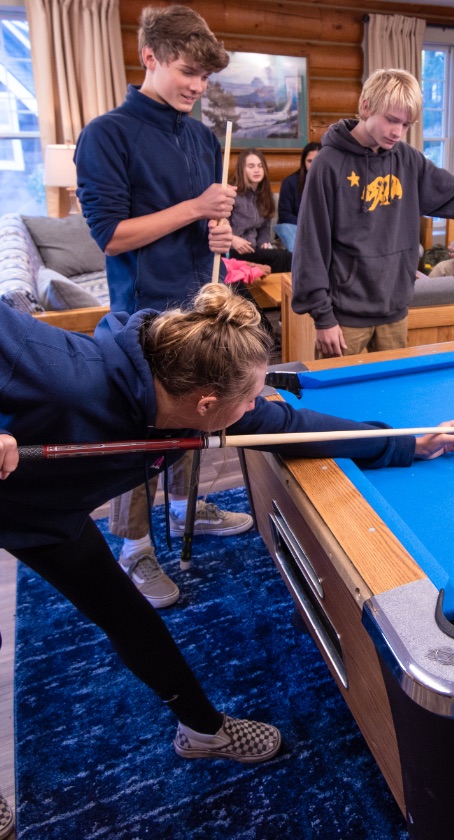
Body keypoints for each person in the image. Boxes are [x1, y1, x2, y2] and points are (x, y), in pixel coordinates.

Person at [0, 283, 454, 766]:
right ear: (208, 404)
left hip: (45, 515)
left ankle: (203, 731)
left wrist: (405, 443)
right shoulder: (62, 373)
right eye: (250, 399)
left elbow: (294, 426)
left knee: (128, 615)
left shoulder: (203, 401)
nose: (256, 406)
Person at [74, 4, 250, 608]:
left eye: (205, 79)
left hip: (199, 304)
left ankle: (187, 508)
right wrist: (198, 208)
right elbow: (111, 235)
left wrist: (219, 236)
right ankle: (133, 549)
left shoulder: (202, 135)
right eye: (187, 73)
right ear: (149, 57)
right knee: (140, 431)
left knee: (193, 418)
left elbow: (203, 226)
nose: (198, 88)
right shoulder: (108, 134)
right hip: (141, 317)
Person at [292, 67, 454, 358]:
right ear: (366, 107)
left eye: (406, 124)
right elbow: (311, 244)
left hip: (395, 309)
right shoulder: (328, 164)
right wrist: (323, 316)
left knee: (394, 396)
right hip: (344, 316)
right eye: (391, 120)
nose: (398, 132)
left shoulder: (408, 161)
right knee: (337, 401)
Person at [230, 147, 293, 274]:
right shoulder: (232, 193)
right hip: (234, 249)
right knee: (279, 257)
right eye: (251, 166)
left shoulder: (265, 195)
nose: (257, 170)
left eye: (260, 166)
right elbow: (220, 223)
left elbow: (264, 228)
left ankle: (285, 292)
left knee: (289, 257)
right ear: (242, 169)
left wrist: (264, 243)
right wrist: (232, 239)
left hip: (253, 249)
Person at [274, 140, 320, 251]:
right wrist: (308, 225)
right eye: (310, 161)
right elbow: (284, 215)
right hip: (294, 228)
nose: (313, 165)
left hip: (321, 230)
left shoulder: (331, 182)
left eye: (317, 161)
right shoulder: (290, 182)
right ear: (303, 162)